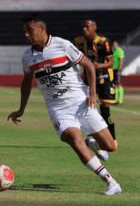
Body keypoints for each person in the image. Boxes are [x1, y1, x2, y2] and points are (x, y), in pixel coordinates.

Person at [8, 13, 121, 195]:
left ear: (41, 28)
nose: (26, 35)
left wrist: (92, 92)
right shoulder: (27, 57)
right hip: (58, 109)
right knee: (74, 140)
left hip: (81, 102)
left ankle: (93, 143)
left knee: (110, 146)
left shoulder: (63, 45)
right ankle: (111, 183)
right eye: (25, 32)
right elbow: (26, 81)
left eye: (29, 31)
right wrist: (21, 109)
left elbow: (89, 66)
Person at [72, 20, 118, 148]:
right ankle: (92, 140)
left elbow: (111, 63)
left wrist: (98, 65)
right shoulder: (77, 41)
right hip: (87, 79)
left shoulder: (104, 42)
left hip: (104, 78)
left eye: (87, 27)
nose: (84, 29)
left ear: (94, 28)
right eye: (83, 27)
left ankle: (113, 139)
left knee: (105, 110)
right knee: (88, 110)